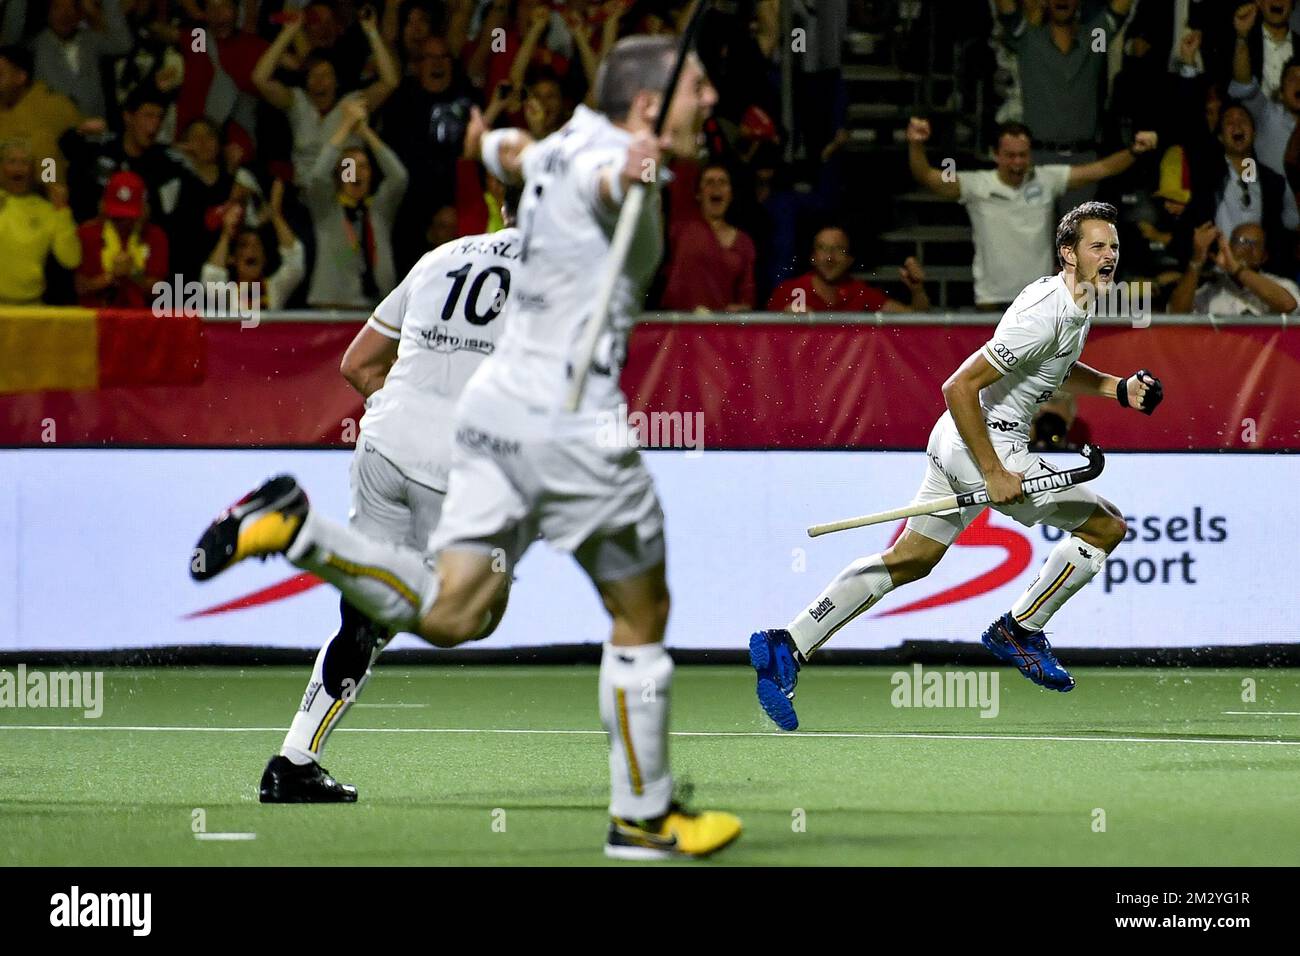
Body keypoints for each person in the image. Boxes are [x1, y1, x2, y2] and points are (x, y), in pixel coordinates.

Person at [189, 35, 741, 860]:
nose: (712, 102)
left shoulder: (458, 240)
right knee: (591, 611)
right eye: (698, 88)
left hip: (398, 438)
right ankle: (640, 816)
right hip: (537, 435)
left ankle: (298, 577)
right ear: (649, 107)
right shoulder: (603, 181)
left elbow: (358, 363)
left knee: (432, 610)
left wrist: (490, 141)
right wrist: (631, 173)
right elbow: (600, 181)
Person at [749, 202, 1166, 731]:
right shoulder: (1048, 309)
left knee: (911, 560)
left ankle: (788, 643)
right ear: (1068, 253)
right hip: (986, 443)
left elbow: (1052, 368)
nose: (1109, 257)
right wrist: (994, 471)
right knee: (1107, 525)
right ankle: (1021, 629)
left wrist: (1116, 389)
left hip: (960, 442)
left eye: (1114, 248)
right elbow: (958, 387)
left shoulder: (1075, 303)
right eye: (1097, 247)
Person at [258, 199, 521, 802]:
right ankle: (308, 537)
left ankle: (293, 761)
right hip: (459, 467)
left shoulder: (440, 257)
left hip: (380, 445)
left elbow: (357, 364)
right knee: (472, 618)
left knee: (366, 616)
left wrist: (411, 414)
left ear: (502, 204)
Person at [907, 117, 1158, 310]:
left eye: (1023, 155)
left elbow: (1100, 169)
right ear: (995, 154)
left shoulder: (1047, 179)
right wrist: (915, 144)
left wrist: (1134, 151)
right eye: (1010, 155)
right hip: (991, 300)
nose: (1017, 162)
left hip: (1041, 299)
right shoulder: (976, 184)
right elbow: (927, 177)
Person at [252, 7, 399, 185]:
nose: (319, 81)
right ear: (306, 82)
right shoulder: (296, 101)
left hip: (344, 192)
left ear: (336, 81)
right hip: (305, 193)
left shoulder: (353, 103)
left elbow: (390, 82)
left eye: (326, 75)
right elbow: (259, 78)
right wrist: (288, 33)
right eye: (313, 76)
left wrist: (372, 31)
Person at [302, 98, 408, 308]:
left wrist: (365, 132)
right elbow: (317, 177)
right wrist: (346, 125)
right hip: (332, 309)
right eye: (350, 167)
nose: (357, 173)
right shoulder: (327, 208)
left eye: (364, 167)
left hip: (376, 309)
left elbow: (399, 177)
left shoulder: (379, 209)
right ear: (340, 174)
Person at [659, 163, 755, 311]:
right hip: (679, 324)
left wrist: (741, 308)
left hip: (719, 328)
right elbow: (680, 177)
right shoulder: (683, 225)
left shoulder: (744, 242)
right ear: (698, 194)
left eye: (722, 182)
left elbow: (747, 295)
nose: (716, 187)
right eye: (709, 182)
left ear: (731, 194)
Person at [767, 226, 930, 313]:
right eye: (823, 248)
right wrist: (783, 322)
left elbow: (915, 320)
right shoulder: (788, 292)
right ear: (813, 257)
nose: (830, 257)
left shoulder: (861, 293)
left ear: (849, 260)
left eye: (839, 249)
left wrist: (918, 291)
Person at [201, 179, 306, 313]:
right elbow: (210, 277)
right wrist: (226, 234)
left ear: (265, 258)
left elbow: (295, 262)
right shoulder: (227, 294)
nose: (252, 250)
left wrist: (276, 214)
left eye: (257, 246)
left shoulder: (275, 288)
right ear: (232, 259)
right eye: (244, 245)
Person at [0, 139, 80, 305]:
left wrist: (63, 211)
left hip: (32, 307)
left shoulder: (46, 210)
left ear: (32, 170)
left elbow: (71, 259)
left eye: (24, 162)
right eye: (12, 161)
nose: (18, 168)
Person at [74, 170, 169, 308]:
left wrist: (133, 273)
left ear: (144, 209)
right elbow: (80, 287)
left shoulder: (156, 236)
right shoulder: (87, 234)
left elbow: (160, 292)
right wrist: (111, 276)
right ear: (102, 206)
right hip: (95, 319)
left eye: (129, 217)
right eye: (116, 217)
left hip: (141, 320)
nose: (123, 222)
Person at [1168, 220, 1299, 313]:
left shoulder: (1282, 285)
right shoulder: (1212, 291)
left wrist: (1236, 269)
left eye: (1255, 244)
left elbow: (1288, 305)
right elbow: (1176, 313)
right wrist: (1197, 259)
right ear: (1228, 248)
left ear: (1264, 256)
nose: (1248, 248)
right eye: (1242, 241)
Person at [32, 0, 132, 120]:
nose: (65, 14)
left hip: (93, 128)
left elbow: (123, 45)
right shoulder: (35, 46)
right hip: (52, 130)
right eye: (57, 7)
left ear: (80, 14)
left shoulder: (90, 40)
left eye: (72, 7)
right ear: (47, 13)